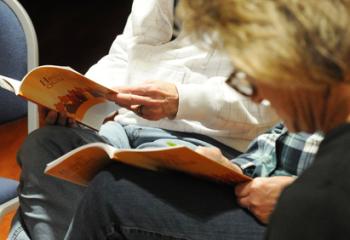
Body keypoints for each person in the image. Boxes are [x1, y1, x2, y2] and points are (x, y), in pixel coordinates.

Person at [9, 1, 321, 240]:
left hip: (206, 140)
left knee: (102, 190)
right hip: (125, 123)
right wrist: (83, 94)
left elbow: (267, 107)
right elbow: (126, 51)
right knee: (44, 147)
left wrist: (181, 101)